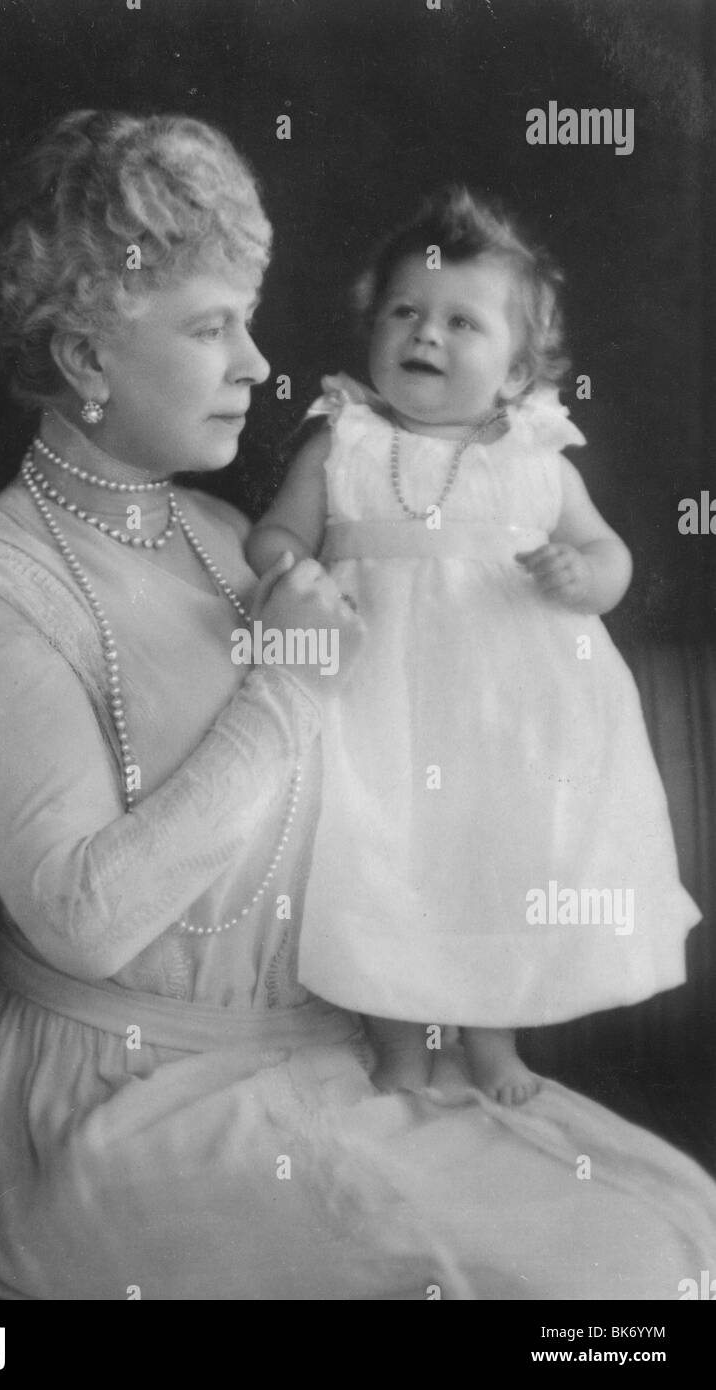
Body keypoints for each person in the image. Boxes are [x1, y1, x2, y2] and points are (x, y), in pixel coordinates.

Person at [0, 115, 716, 1300]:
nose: (258, 364)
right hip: (108, 1110)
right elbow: (82, 917)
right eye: (211, 327)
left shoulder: (230, 536)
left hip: (325, 1051)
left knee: (687, 1234)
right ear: (84, 357)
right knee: (607, 1282)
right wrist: (290, 681)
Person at [246, 187, 700, 1104]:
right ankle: (401, 1051)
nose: (427, 335)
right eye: (405, 312)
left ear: (519, 367)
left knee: (495, 873)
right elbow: (274, 538)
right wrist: (299, 575)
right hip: (377, 702)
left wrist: (587, 577)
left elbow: (611, 556)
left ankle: (493, 1046)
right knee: (380, 869)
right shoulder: (344, 443)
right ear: (373, 330)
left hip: (506, 723)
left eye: (463, 322)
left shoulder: (537, 458)